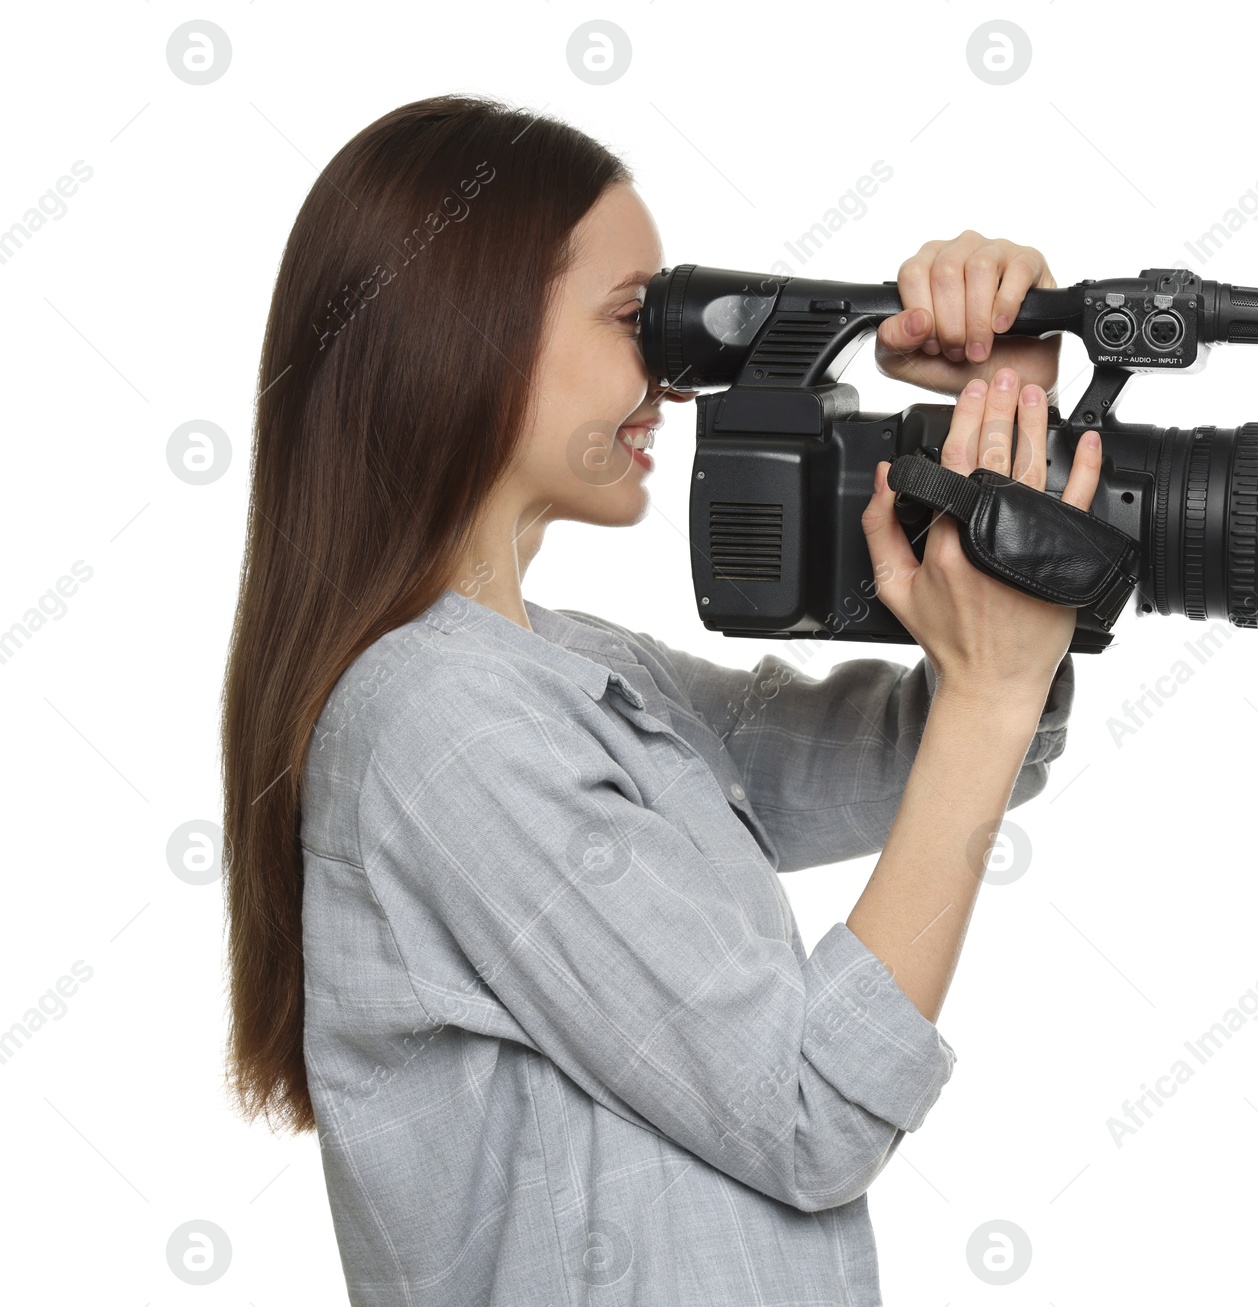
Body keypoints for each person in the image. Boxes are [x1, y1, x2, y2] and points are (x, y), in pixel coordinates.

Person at [219, 92, 1102, 1306]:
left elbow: (915, 751)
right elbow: (809, 1111)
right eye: (640, 318)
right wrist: (987, 701)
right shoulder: (438, 724)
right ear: (463, 330)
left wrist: (1001, 432)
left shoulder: (582, 672)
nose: (676, 379)